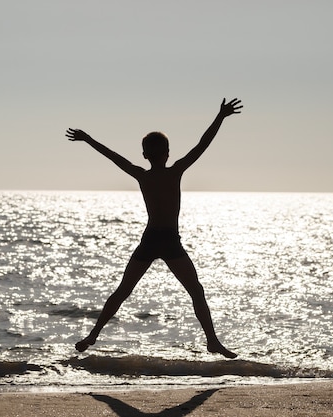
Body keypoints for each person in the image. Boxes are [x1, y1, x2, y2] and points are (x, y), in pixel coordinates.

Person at [65, 98, 243, 359]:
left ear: (145, 154)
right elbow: (202, 145)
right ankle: (212, 341)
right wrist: (220, 117)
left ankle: (93, 335)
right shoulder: (175, 171)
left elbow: (114, 157)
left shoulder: (142, 174)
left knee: (124, 291)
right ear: (168, 153)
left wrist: (88, 139)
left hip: (152, 239)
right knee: (195, 291)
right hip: (168, 240)